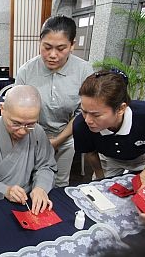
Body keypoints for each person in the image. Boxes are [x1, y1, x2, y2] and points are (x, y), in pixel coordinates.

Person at [15, 15, 93, 187]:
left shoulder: (84, 70)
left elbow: (83, 113)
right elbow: (16, 109)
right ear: (40, 42)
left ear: (72, 45)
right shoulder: (26, 71)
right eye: (47, 47)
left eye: (61, 48)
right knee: (30, 181)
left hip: (66, 137)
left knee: (60, 182)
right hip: (31, 137)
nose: (52, 55)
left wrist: (59, 140)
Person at [0, 85, 57, 214]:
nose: (23, 131)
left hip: (25, 202)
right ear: (2, 109)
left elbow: (45, 166)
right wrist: (5, 190)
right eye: (16, 123)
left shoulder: (38, 132)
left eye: (30, 124)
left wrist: (40, 187)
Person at [73, 70, 145, 184]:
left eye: (96, 115)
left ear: (121, 109)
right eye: (84, 111)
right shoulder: (80, 125)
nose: (88, 120)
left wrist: (143, 177)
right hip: (109, 160)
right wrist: (100, 178)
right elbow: (91, 153)